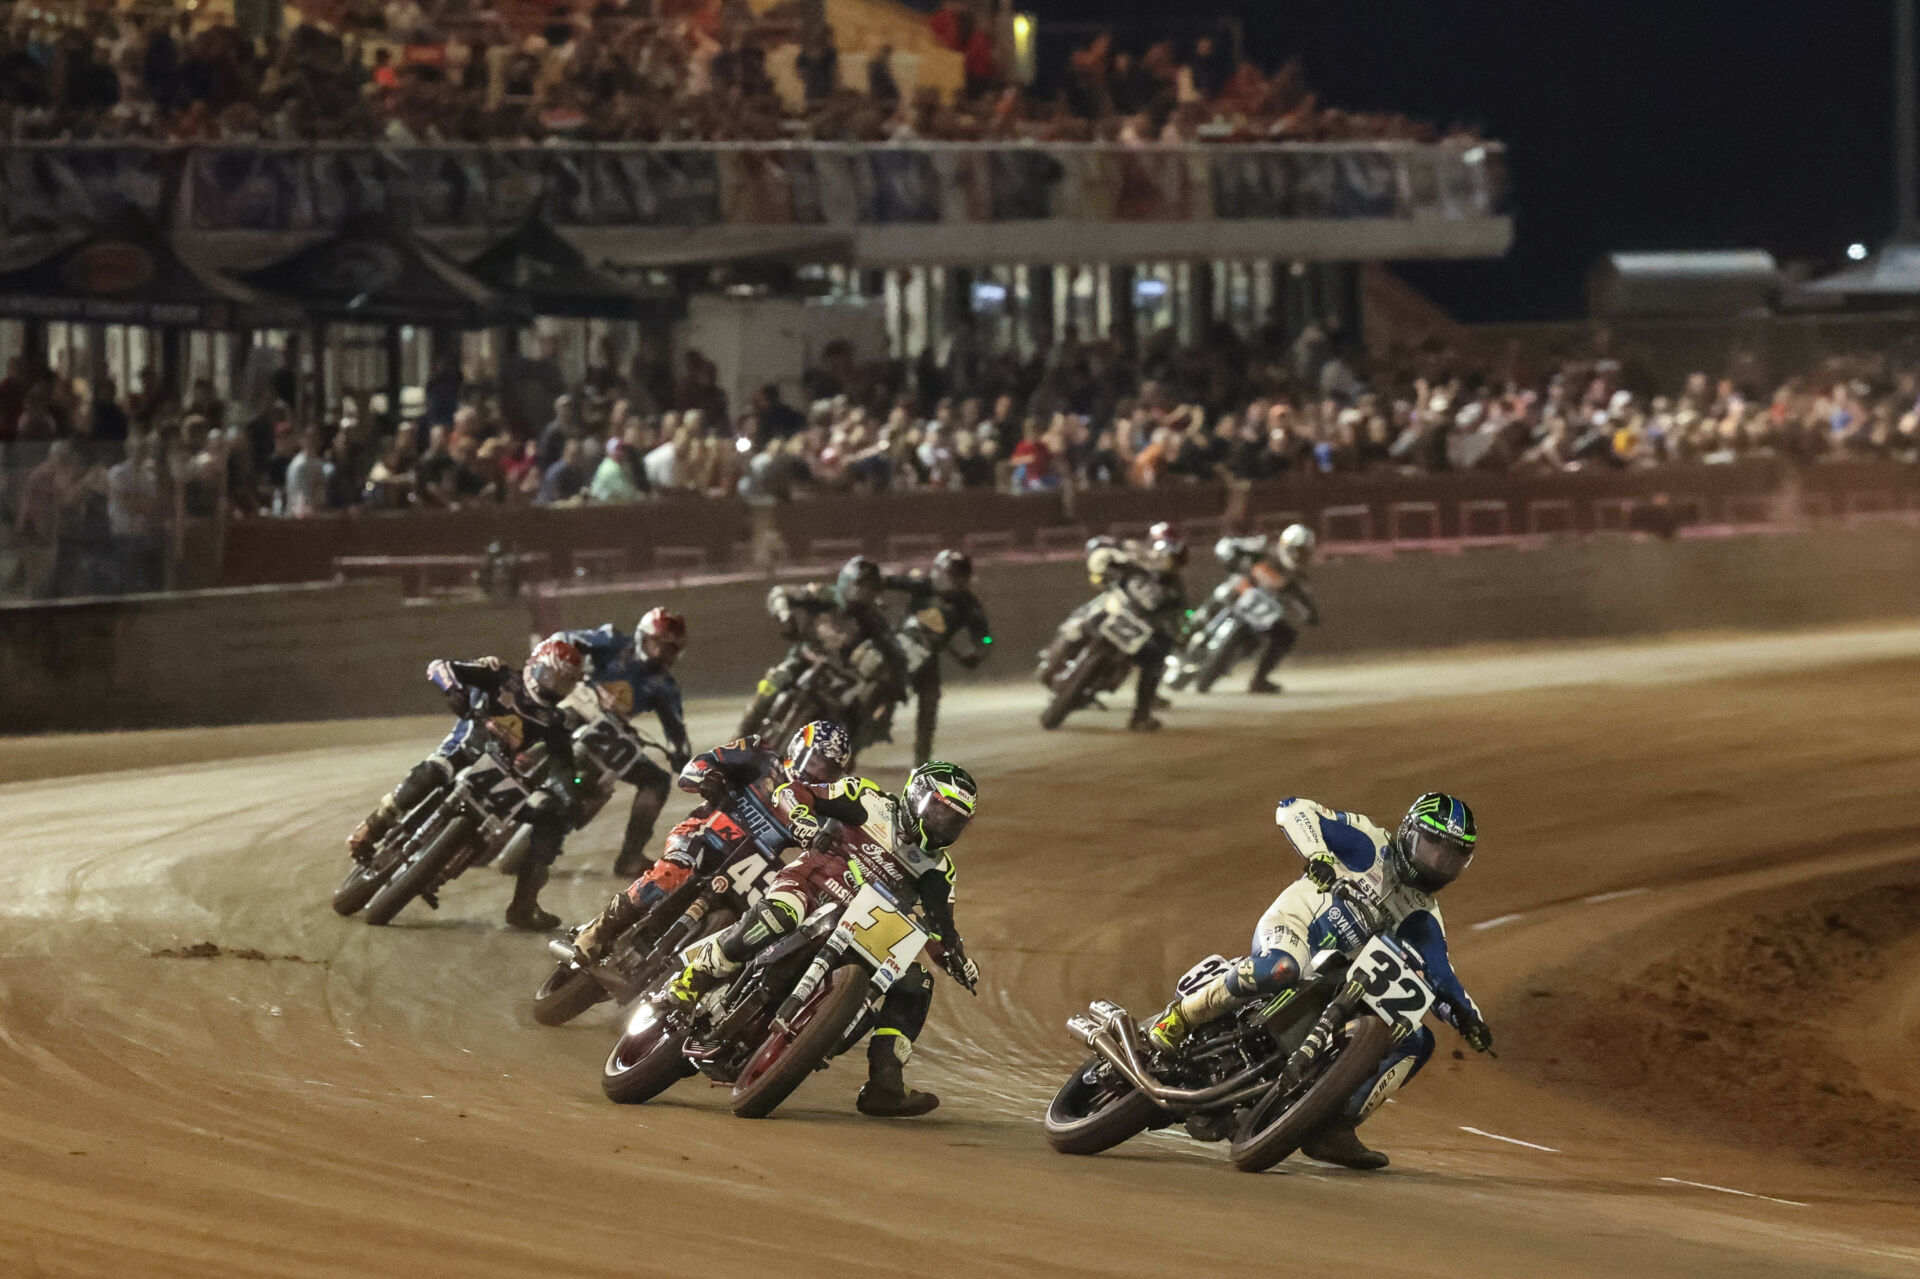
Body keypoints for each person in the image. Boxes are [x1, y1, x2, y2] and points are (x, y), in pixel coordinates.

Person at [1147, 793, 1493, 1169]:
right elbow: (1293, 808)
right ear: (1408, 834)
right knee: (1282, 968)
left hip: (1341, 981)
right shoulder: (1368, 841)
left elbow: (1440, 976)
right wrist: (1319, 855)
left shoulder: (1424, 916)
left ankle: (1333, 1126)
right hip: (1294, 929)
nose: (1437, 865)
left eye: (1451, 859)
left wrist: (1469, 1017)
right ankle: (1182, 1016)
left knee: (1416, 1040)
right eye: (1431, 850)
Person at [665, 762, 981, 1117]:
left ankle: (885, 1083)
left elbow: (940, 926)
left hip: (866, 932)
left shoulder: (940, 869)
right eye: (938, 809)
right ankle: (695, 979)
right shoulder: (868, 799)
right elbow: (794, 791)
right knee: (781, 913)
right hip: (812, 887)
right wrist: (800, 815)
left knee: (916, 982)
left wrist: (956, 957)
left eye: (954, 819)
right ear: (916, 795)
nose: (943, 824)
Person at [345, 636, 587, 931]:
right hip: (464, 750)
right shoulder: (500, 676)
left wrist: (569, 795)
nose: (553, 686)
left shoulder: (555, 722)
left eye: (563, 682)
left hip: (502, 777)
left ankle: (524, 905)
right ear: (535, 665)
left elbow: (564, 766)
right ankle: (373, 826)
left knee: (551, 820)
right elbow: (440, 667)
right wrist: (453, 689)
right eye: (550, 675)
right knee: (433, 772)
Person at [566, 720, 854, 966]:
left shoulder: (822, 806)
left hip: (752, 870)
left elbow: (843, 846)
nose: (816, 773)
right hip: (704, 834)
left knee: (758, 927)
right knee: (672, 871)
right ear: (798, 749)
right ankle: (598, 931)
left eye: (826, 771)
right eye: (815, 761)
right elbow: (699, 764)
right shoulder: (759, 754)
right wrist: (710, 778)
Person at [559, 608, 695, 877]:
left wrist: (682, 757)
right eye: (658, 643)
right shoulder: (611, 640)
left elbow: (676, 729)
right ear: (643, 636)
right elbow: (564, 640)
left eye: (669, 648)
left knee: (657, 781)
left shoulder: (664, 685)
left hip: (611, 734)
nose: (660, 653)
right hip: (575, 707)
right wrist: (575, 667)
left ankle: (630, 857)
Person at [1039, 522, 1189, 731]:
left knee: (1155, 661)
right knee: (1081, 619)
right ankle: (1056, 657)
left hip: (1141, 631)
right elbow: (1099, 548)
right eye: (1160, 546)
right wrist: (1101, 561)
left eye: (1170, 552)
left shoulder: (1175, 589)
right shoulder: (1131, 554)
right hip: (1114, 609)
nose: (1163, 554)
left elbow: (1179, 619)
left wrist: (1173, 633)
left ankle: (1141, 715)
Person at [740, 556, 908, 738]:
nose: (864, 593)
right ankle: (738, 740)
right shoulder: (823, 595)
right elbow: (780, 593)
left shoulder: (873, 619)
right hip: (803, 659)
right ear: (848, 582)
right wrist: (785, 617)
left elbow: (895, 651)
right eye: (862, 586)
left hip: (839, 679)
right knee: (771, 685)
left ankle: (833, 759)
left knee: (849, 724)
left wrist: (897, 682)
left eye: (870, 588)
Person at [879, 548, 992, 765]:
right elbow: (889, 581)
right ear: (941, 572)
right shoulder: (921, 583)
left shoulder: (969, 604)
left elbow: (984, 636)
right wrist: (877, 585)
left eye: (961, 576)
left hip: (927, 657)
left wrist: (979, 651)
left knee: (930, 698)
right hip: (897, 642)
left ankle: (922, 757)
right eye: (954, 575)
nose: (957, 581)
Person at [1196, 523, 1321, 694]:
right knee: (1217, 599)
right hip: (1237, 591)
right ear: (1286, 546)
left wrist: (1310, 612)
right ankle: (1190, 633)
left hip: (1261, 612)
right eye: (1297, 550)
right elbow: (1225, 546)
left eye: (1304, 552)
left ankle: (1259, 680)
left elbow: (1303, 597)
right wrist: (1240, 563)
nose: (1299, 556)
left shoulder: (1297, 576)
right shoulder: (1261, 546)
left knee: (1286, 635)